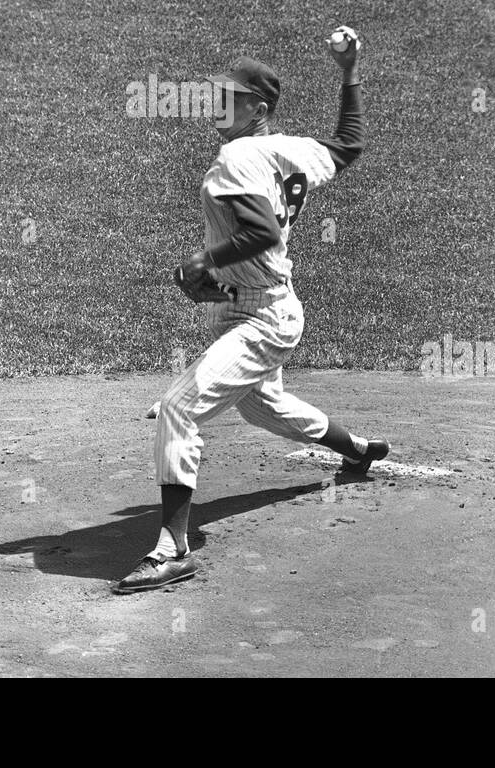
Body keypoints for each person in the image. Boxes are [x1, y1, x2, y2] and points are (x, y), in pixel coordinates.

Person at [114, 31, 388, 594]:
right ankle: (360, 451)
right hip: (263, 309)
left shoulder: (237, 157)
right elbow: (349, 145)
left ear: (257, 109)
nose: (217, 105)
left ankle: (173, 550)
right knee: (265, 408)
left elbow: (260, 233)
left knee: (178, 409)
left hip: (261, 318)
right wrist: (350, 71)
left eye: (229, 98)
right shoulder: (287, 150)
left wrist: (201, 262)